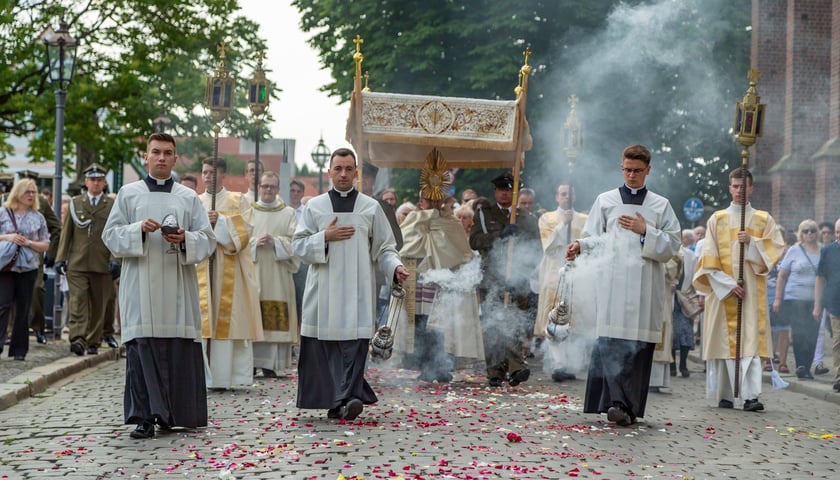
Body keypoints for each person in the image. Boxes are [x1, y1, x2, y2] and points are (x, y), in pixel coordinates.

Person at [102, 132, 216, 439]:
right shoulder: (128, 194)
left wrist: (185, 239)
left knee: (176, 348)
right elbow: (110, 237)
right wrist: (138, 229)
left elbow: (207, 240)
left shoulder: (188, 197)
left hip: (178, 285)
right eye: (156, 152)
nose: (162, 157)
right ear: (146, 157)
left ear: (176, 159)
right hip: (140, 283)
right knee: (143, 350)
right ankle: (144, 417)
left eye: (168, 152)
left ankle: (176, 415)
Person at [566, 144, 680, 426]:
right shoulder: (605, 201)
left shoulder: (660, 205)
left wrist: (645, 232)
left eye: (638, 171)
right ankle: (615, 403)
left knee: (638, 348)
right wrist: (581, 244)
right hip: (612, 286)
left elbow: (673, 244)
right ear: (622, 168)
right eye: (627, 170)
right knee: (610, 343)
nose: (632, 175)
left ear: (648, 171)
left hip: (644, 288)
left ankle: (628, 407)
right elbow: (597, 238)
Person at [292, 147, 408, 421]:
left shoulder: (371, 207)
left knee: (355, 347)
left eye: (348, 169)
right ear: (329, 171)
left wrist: (395, 266)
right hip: (324, 292)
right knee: (328, 350)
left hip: (358, 292)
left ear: (356, 172)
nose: (343, 174)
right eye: (338, 169)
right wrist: (324, 237)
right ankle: (344, 400)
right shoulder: (315, 207)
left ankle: (349, 399)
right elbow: (297, 245)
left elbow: (385, 248)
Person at [693, 167, 783, 412]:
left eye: (743, 186)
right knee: (724, 345)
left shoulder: (764, 219)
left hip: (752, 294)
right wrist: (729, 285)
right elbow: (707, 260)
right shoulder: (717, 219)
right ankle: (725, 394)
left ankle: (751, 396)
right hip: (723, 295)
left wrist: (752, 243)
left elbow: (775, 251)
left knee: (750, 344)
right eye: (735, 186)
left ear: (751, 188)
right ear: (729, 188)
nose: (739, 191)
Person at [470, 171, 541, 387]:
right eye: (501, 189)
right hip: (491, 278)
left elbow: (537, 250)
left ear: (515, 191)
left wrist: (521, 274)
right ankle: (495, 371)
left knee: (514, 323)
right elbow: (474, 241)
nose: (505, 193)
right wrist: (499, 236)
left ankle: (516, 366)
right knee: (492, 325)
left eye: (509, 189)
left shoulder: (527, 218)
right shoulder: (484, 214)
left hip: (517, 280)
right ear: (495, 191)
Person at [198, 157, 263, 390]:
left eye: (212, 173)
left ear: (222, 175)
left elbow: (245, 233)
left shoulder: (239, 201)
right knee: (202, 323)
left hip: (229, 272)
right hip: (202, 270)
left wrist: (221, 222)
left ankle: (225, 377)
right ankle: (200, 377)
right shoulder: (195, 202)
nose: (208, 176)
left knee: (226, 321)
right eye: (204, 172)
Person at [55, 164, 118, 356]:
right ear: (86, 182)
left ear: (104, 182)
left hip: (102, 262)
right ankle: (78, 339)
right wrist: (60, 258)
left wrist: (115, 258)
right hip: (78, 262)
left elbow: (116, 233)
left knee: (100, 304)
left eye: (99, 179)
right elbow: (67, 234)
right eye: (92, 179)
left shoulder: (112, 205)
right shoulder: (75, 203)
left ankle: (93, 340)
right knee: (78, 301)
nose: (96, 183)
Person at [533, 182, 588, 382]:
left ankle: (571, 364)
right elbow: (548, 246)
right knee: (556, 319)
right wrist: (563, 223)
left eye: (569, 194)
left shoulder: (584, 219)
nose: (566, 197)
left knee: (574, 321)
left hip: (577, 275)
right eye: (562, 194)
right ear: (557, 197)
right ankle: (558, 364)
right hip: (554, 274)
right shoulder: (547, 218)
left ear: (575, 197)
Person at [249, 171, 299, 378]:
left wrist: (276, 242)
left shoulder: (288, 213)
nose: (268, 190)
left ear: (278, 189)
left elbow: (297, 243)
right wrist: (254, 243)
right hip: (254, 272)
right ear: (258, 187)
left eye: (272, 186)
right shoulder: (248, 212)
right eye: (265, 186)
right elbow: (240, 241)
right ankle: (250, 363)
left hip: (278, 275)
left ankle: (271, 364)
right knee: (252, 315)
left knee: (274, 314)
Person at [0, 178, 50, 361]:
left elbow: (45, 244)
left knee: (23, 308)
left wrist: (28, 242)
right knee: (3, 305)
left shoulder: (38, 217)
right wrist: (9, 237)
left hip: (28, 268)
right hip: (6, 267)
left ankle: (19, 350)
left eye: (33, 192)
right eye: (28, 192)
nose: (31, 195)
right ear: (18, 193)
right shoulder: (3, 213)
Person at [15, 171, 61, 345]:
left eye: (32, 187)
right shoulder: (8, 201)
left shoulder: (41, 202)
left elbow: (56, 227)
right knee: (11, 291)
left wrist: (51, 253)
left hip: (34, 254)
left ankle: (38, 328)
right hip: (11, 254)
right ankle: (12, 330)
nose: (29, 192)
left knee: (36, 290)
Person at [774, 219, 822, 379]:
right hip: (795, 298)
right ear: (801, 233)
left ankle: (808, 365)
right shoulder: (794, 251)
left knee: (813, 333)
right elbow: (782, 275)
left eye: (813, 230)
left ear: (817, 233)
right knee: (800, 332)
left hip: (815, 299)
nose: (809, 234)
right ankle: (801, 365)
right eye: (806, 231)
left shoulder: (823, 251)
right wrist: (778, 298)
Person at [813, 218, 840, 392]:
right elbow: (820, 278)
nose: (838, 235)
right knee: (838, 341)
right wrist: (817, 305)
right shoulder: (828, 251)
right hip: (835, 302)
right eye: (837, 232)